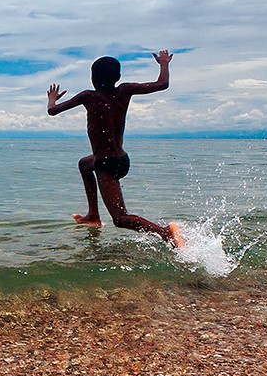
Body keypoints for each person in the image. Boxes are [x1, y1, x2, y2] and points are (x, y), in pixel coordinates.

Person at [46, 50, 184, 248]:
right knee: (84, 164)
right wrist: (163, 63)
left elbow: (52, 111)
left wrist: (52, 98)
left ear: (92, 78)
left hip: (106, 164)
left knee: (120, 219)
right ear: (118, 77)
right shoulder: (124, 90)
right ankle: (92, 215)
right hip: (121, 159)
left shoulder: (88, 96)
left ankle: (166, 233)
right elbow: (162, 84)